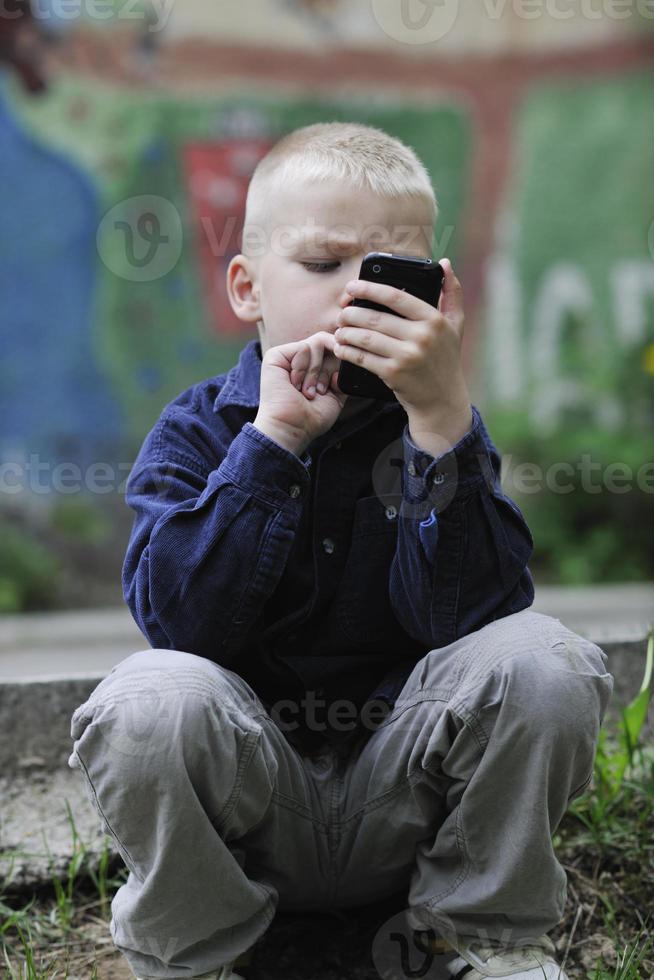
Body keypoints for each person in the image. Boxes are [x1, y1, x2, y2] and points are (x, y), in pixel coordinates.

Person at [68, 122, 613, 980]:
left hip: (408, 802)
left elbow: (468, 622)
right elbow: (179, 624)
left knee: (545, 659)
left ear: (437, 296)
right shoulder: (197, 430)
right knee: (147, 696)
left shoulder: (440, 429)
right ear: (247, 287)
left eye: (388, 272)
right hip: (257, 810)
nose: (356, 293)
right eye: (324, 265)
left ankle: (479, 940)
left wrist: (439, 426)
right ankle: (199, 953)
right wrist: (273, 440)